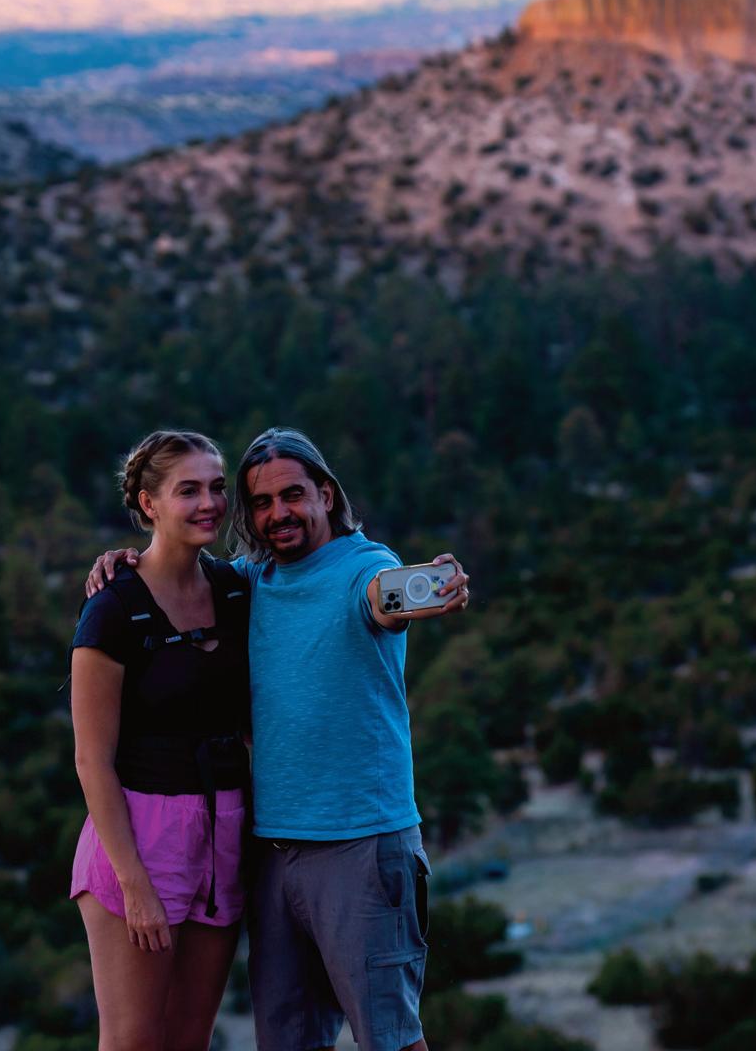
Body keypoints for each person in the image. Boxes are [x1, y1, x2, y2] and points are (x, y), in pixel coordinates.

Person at [88, 425, 471, 1051]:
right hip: (269, 853)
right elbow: (179, 572)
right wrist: (125, 562)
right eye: (261, 503)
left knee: (391, 1039)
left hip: (359, 847)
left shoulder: (362, 567)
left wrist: (429, 589)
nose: (278, 514)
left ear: (326, 493)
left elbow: (385, 596)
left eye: (293, 495)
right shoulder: (248, 581)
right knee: (289, 1041)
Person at [71, 429, 251, 1051]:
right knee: (132, 1041)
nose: (209, 503)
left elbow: (319, 582)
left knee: (188, 1039)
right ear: (149, 504)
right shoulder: (113, 609)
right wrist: (134, 884)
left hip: (224, 831)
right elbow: (92, 760)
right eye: (188, 490)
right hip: (140, 837)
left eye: (217, 488)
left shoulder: (236, 590)